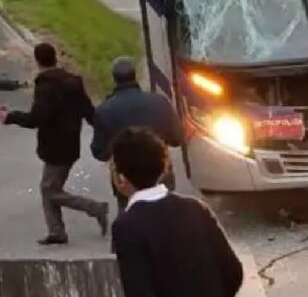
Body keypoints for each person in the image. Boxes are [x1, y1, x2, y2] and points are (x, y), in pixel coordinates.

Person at [111, 127, 243, 297]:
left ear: (121, 177)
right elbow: (233, 272)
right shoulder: (195, 208)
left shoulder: (126, 226)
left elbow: (138, 289)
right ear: (164, 167)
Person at [0, 43, 108, 245]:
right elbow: (89, 111)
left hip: (54, 146)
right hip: (71, 143)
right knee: (49, 187)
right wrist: (103, 131)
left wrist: (10, 117)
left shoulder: (46, 87)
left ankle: (94, 208)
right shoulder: (74, 82)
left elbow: (36, 119)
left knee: (50, 190)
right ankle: (56, 231)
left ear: (38, 61)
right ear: (55, 58)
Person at [91, 57, 182, 213]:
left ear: (114, 78)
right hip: (161, 174)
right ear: (134, 75)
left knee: (130, 222)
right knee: (166, 220)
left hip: (126, 180)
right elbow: (177, 139)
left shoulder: (104, 110)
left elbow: (99, 151)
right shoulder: (160, 102)